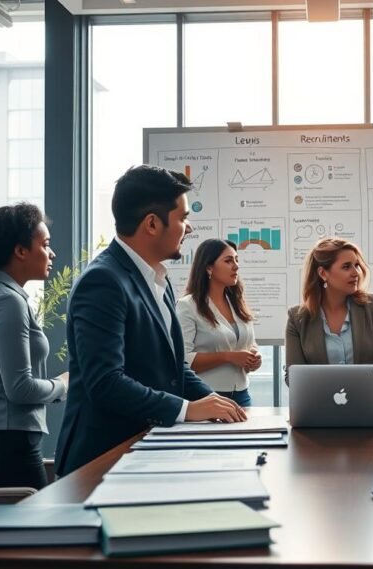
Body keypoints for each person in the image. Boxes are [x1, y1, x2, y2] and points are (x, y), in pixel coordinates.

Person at [55, 165, 247, 477]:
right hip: (102, 461)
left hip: (144, 452)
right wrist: (187, 409)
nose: (189, 228)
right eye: (183, 218)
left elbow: (173, 369)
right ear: (153, 224)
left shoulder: (159, 279)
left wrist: (213, 401)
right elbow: (105, 382)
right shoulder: (103, 281)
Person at [0, 203, 68, 490]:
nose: (52, 253)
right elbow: (20, 389)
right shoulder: (7, 302)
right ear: (20, 251)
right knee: (36, 533)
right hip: (6, 445)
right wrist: (63, 384)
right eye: (45, 245)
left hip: (1, 440)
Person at [284, 237, 373, 387]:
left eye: (356, 265)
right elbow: (293, 375)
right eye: (346, 267)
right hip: (321, 407)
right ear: (323, 273)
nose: (356, 273)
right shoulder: (298, 318)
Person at [176, 239, 261, 407]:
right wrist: (228, 357)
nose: (236, 266)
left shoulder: (237, 304)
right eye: (228, 261)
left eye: (236, 260)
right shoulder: (188, 305)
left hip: (242, 394)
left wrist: (254, 359)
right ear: (208, 267)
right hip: (206, 397)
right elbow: (182, 360)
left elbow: (250, 345)